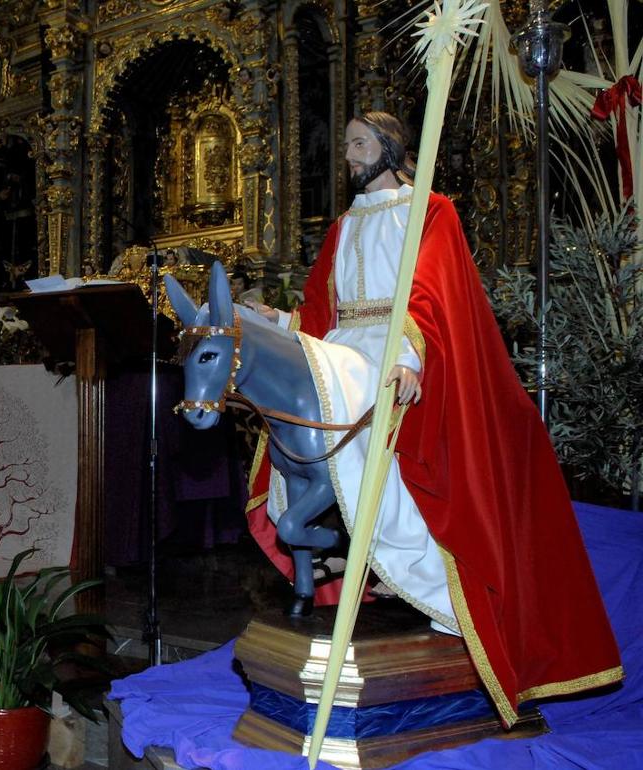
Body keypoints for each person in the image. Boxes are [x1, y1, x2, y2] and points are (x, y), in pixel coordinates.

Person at [244, 113, 621, 726]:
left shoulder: (429, 210)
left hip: (399, 353)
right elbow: (319, 307)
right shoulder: (343, 227)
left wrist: (408, 357)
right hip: (343, 351)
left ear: (389, 148)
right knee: (299, 417)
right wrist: (279, 323)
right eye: (345, 147)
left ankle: (436, 590)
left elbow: (430, 292)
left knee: (384, 442)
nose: (348, 157)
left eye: (359, 145)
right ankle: (344, 551)